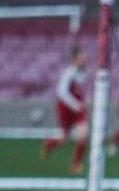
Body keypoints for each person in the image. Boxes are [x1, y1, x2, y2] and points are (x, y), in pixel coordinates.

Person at [40, 46, 88, 174]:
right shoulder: (69, 73)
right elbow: (62, 92)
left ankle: (75, 164)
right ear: (74, 60)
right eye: (80, 58)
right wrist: (76, 105)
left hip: (79, 109)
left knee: (83, 136)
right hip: (66, 109)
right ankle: (48, 145)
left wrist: (82, 104)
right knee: (64, 139)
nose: (84, 60)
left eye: (84, 58)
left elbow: (80, 91)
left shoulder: (84, 73)